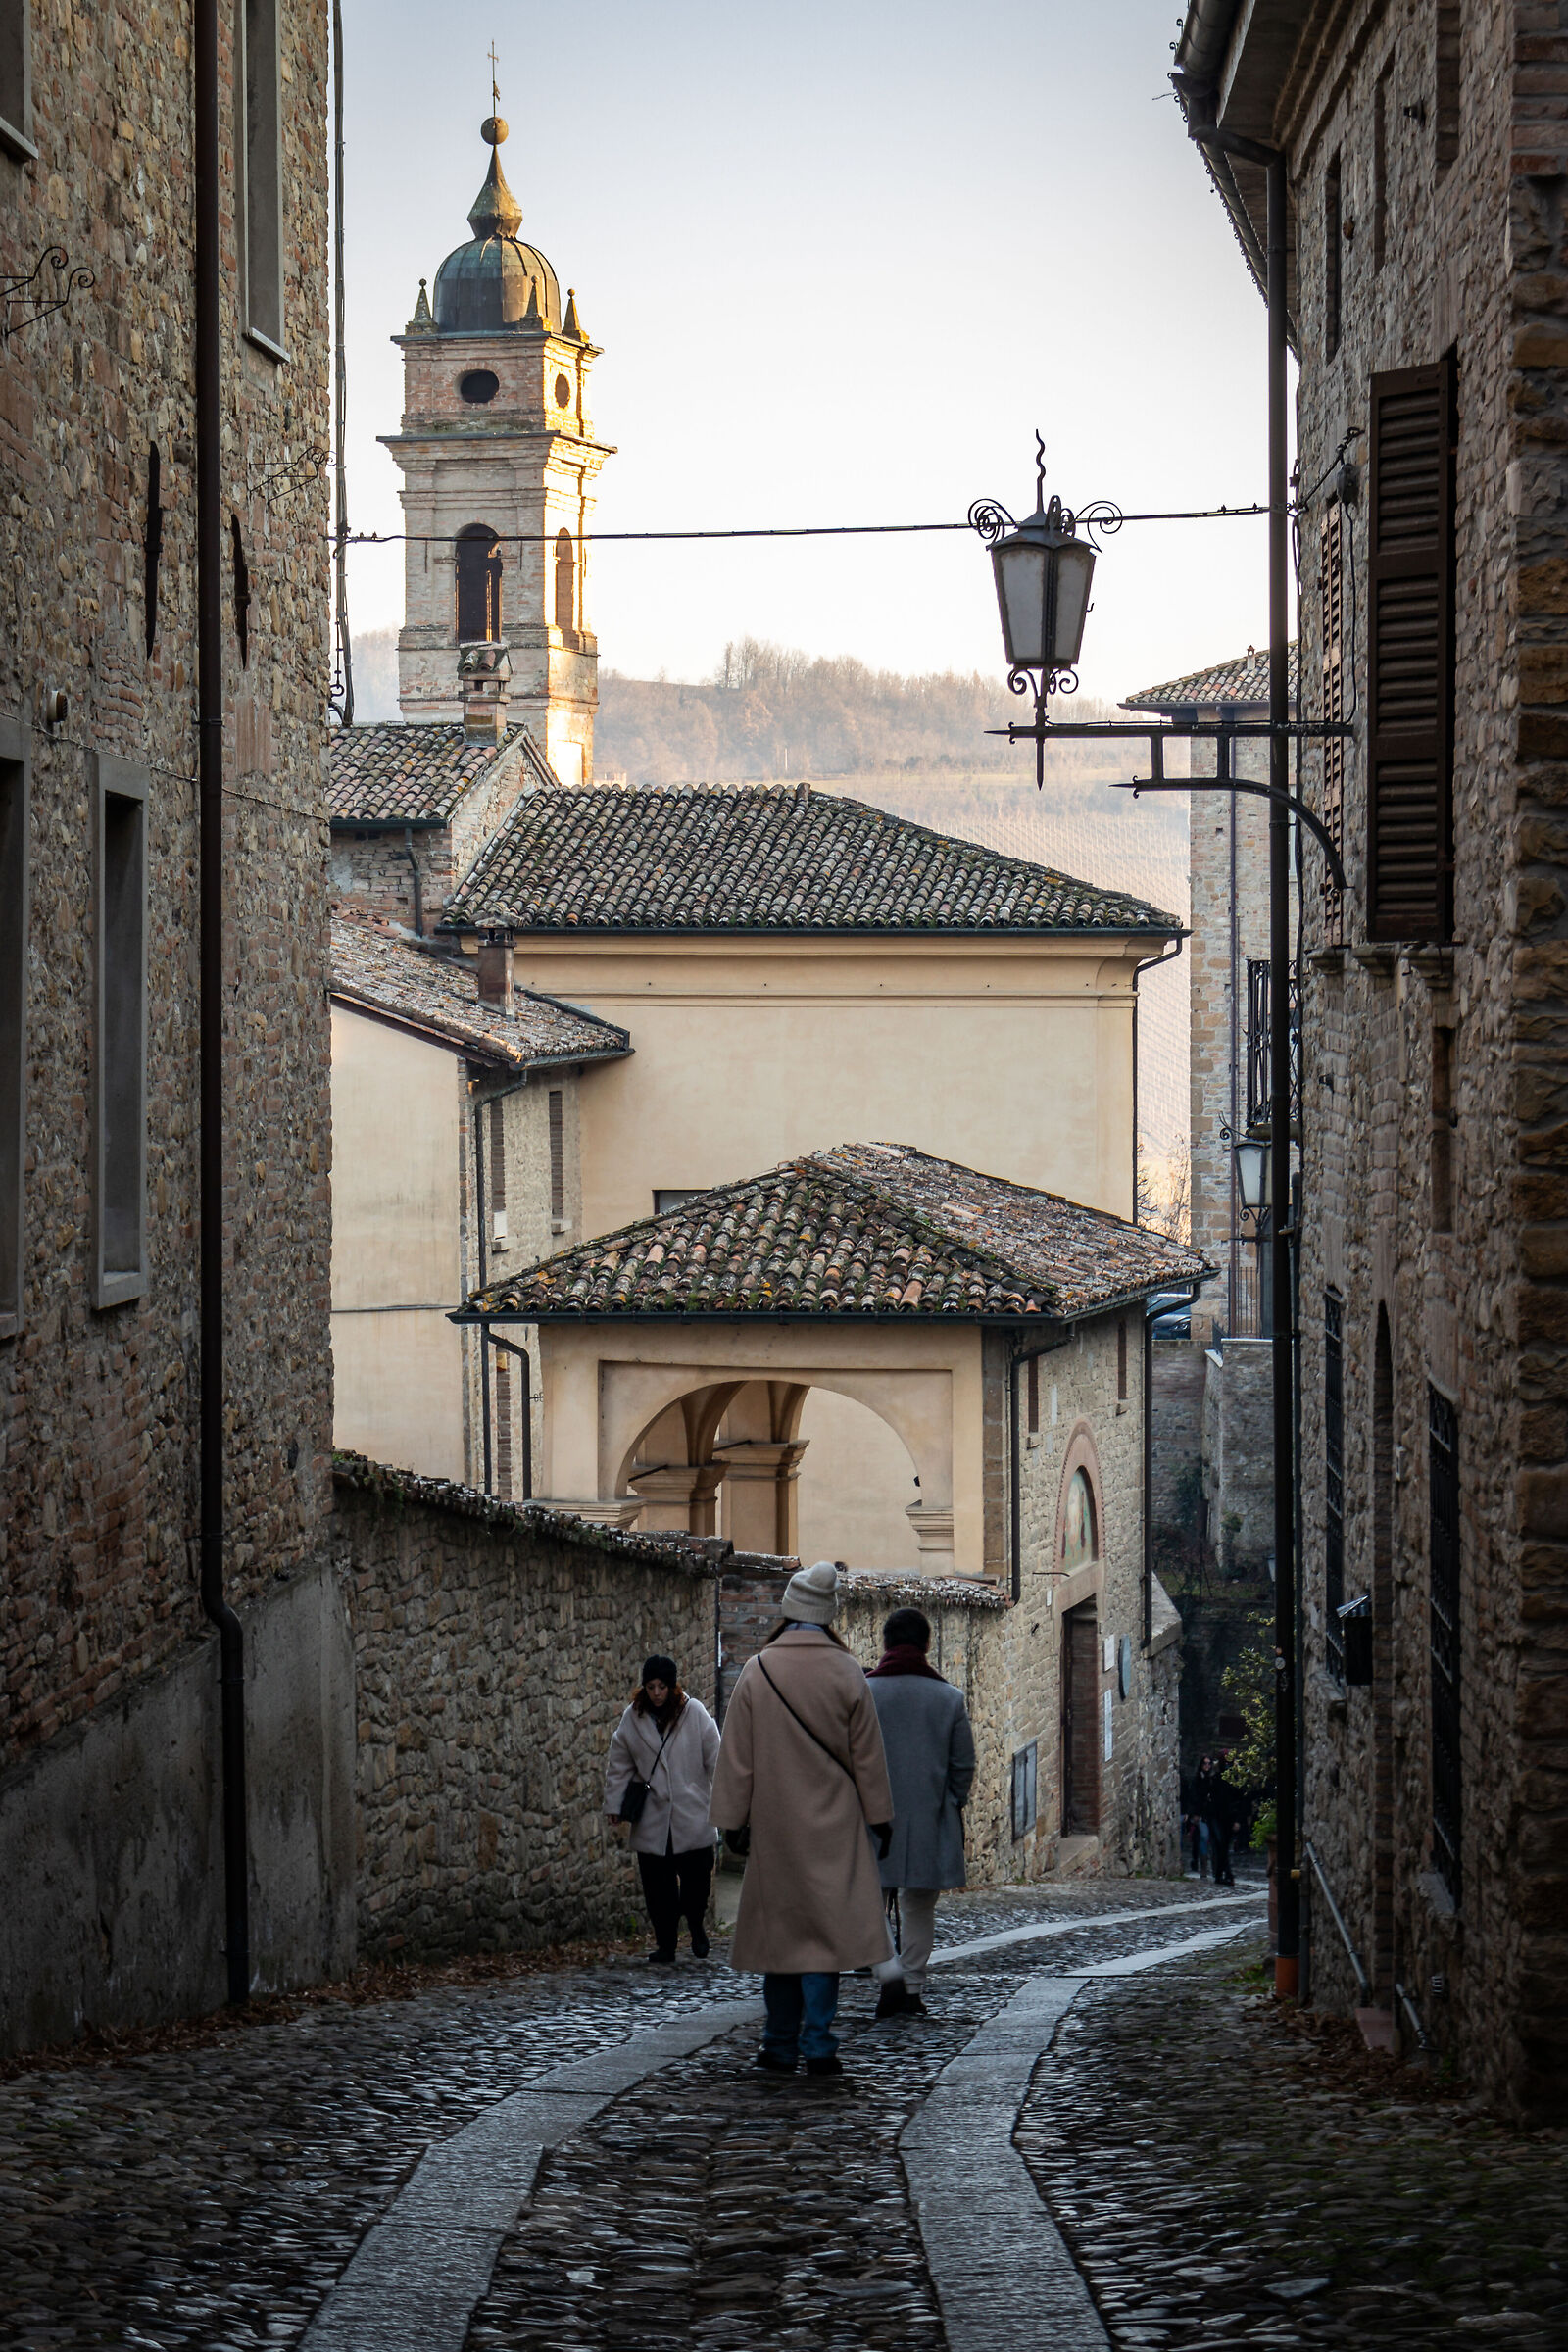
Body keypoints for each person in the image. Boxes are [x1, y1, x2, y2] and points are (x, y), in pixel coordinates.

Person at [709, 1560, 895, 2078]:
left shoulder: (758, 1670)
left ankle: (777, 2042)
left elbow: (737, 1756)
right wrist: (880, 1817)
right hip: (835, 1827)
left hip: (776, 1826)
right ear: (829, 1615)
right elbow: (868, 1757)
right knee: (823, 1940)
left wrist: (731, 1820)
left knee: (781, 1939)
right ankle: (819, 2044)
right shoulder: (847, 1671)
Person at [864, 1606, 975, 2018]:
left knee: (869, 1902)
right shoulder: (948, 1698)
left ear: (887, 1645)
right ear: (927, 1646)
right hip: (929, 1817)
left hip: (871, 1818)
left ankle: (888, 1974)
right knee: (918, 1906)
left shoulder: (864, 1693)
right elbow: (963, 1764)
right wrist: (951, 1803)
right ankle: (910, 1985)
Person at [605, 1654, 721, 1963]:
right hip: (653, 1817)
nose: (656, 1693)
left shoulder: (693, 1713)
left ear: (673, 1687)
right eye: (651, 1686)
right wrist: (615, 1805)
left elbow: (716, 1756)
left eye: (662, 1687)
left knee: (697, 1883)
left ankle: (696, 1926)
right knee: (658, 1889)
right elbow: (619, 1764)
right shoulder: (633, 1718)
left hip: (692, 1812)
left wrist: (724, 1799)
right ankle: (666, 1944)